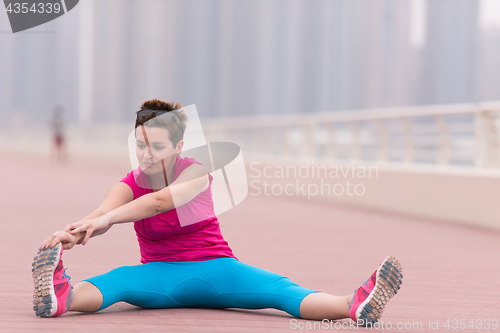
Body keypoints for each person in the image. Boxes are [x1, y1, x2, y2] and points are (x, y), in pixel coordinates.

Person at [32, 99, 403, 326]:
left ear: (178, 146)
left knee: (282, 291)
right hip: (162, 278)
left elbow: (161, 202)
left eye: (156, 147)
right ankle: (61, 297)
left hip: (220, 270)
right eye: (141, 146)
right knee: (114, 283)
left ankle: (354, 305)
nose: (146, 155)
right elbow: (103, 212)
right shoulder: (128, 182)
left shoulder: (195, 172)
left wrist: (106, 219)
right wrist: (78, 231)